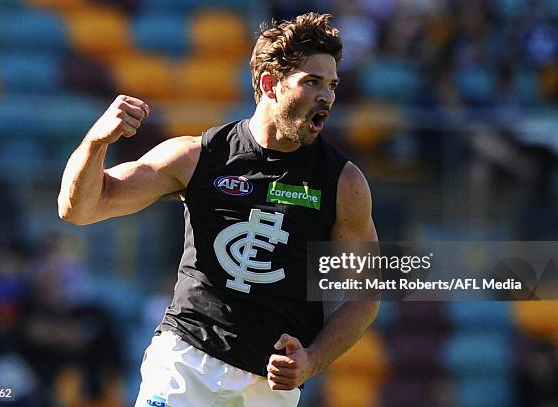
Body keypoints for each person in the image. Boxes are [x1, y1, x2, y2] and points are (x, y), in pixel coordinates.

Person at [58, 12, 379, 407]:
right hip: (185, 362)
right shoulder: (199, 156)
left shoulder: (343, 183)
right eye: (311, 82)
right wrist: (96, 141)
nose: (326, 96)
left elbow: (365, 294)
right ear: (269, 85)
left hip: (268, 385)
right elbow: (80, 209)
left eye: (331, 85)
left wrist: (312, 361)